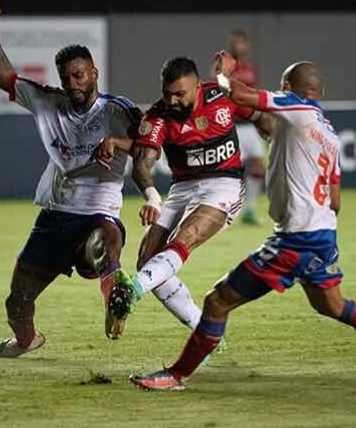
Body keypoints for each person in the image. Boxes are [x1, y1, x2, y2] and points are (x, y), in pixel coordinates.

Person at [129, 55, 356, 391]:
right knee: (333, 304)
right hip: (322, 236)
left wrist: (223, 74)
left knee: (217, 301)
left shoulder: (294, 107)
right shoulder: (329, 134)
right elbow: (336, 201)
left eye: (283, 84)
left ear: (293, 89)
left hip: (293, 241)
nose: (279, 88)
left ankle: (177, 375)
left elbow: (240, 95)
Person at [0, 0, 141, 356]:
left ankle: (115, 302)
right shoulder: (49, 102)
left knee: (102, 244)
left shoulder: (119, 111)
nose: (73, 84)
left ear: (94, 72)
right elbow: (3, 77)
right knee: (16, 302)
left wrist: (120, 143)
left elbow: (155, 145)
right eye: (67, 77)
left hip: (98, 212)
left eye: (79, 75)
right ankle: (26, 340)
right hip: (54, 217)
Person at [99, 56, 272, 340]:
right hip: (182, 187)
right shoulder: (158, 116)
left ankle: (130, 292)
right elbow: (143, 161)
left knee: (187, 235)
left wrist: (273, 134)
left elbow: (259, 116)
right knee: (147, 260)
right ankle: (203, 331)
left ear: (196, 87)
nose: (173, 101)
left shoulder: (221, 97)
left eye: (180, 94)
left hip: (223, 184)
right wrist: (153, 197)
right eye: (167, 94)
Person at [226, 29, 266, 225]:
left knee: (258, 165)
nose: (240, 46)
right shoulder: (225, 67)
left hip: (249, 125)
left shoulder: (250, 68)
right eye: (236, 43)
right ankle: (227, 211)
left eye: (242, 43)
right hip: (233, 125)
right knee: (231, 170)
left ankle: (249, 210)